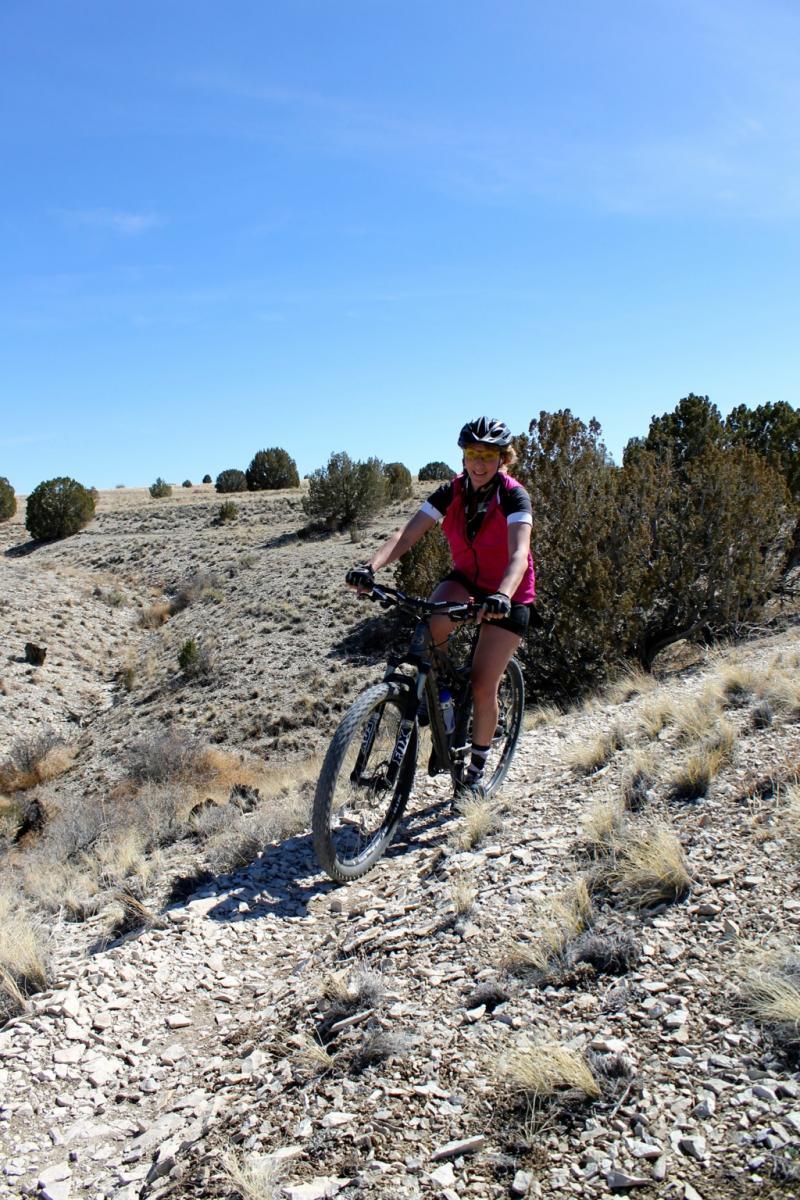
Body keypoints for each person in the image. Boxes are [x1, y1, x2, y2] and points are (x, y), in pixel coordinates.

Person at [346, 416, 535, 799]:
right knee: (431, 622)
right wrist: (370, 567)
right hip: (466, 580)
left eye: (488, 455)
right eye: (471, 454)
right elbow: (407, 533)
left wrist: (501, 594)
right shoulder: (451, 492)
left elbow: (519, 554)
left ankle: (475, 776)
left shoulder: (514, 496)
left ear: (503, 458)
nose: (478, 462)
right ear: (463, 456)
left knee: (484, 684)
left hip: (509, 593)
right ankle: (443, 698)